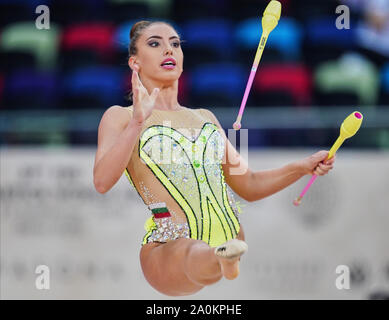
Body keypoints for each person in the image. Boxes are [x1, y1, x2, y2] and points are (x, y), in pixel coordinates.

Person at [93, 20, 336, 296]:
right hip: (168, 249)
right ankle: (220, 259)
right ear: (135, 62)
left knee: (211, 246)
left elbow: (250, 184)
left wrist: (302, 167)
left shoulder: (205, 118)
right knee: (189, 250)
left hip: (228, 233)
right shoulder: (119, 117)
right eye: (154, 43)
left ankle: (222, 256)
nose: (168, 50)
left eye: (175, 43)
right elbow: (102, 181)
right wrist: (138, 121)